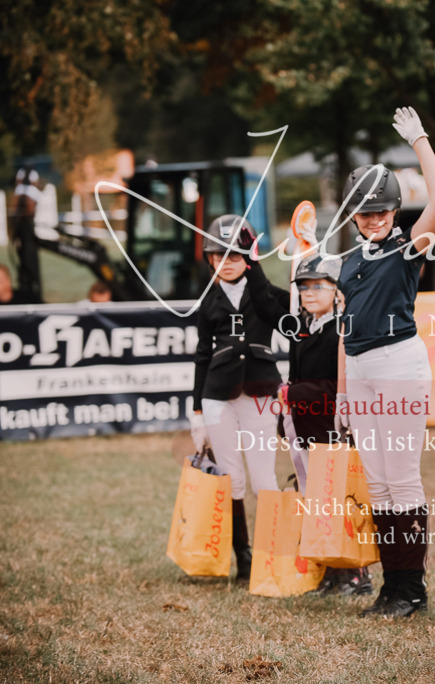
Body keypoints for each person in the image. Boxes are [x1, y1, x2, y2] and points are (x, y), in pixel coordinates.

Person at [333, 107, 435, 618]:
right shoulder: (348, 262)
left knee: (401, 479)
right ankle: (391, 587)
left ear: (393, 212)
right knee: (377, 482)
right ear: (353, 215)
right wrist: (341, 389)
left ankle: (412, 588)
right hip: (358, 368)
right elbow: (344, 330)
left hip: (399, 362)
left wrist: (420, 140)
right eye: (365, 212)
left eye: (382, 210)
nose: (375, 218)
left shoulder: (406, 248)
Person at [190, 214, 289, 584]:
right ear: (210, 259)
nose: (226, 263)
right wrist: (197, 411)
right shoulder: (209, 302)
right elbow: (202, 356)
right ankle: (244, 558)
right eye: (218, 256)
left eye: (234, 255)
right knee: (232, 480)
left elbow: (280, 319)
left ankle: (273, 555)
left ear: (249, 257)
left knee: (264, 478)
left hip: (260, 394)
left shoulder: (265, 293)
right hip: (218, 397)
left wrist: (256, 264)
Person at [279, 254, 372, 597]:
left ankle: (356, 573)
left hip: (332, 429)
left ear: (336, 291)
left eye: (318, 286)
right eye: (304, 287)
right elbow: (294, 377)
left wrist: (292, 393)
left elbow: (336, 387)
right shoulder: (301, 329)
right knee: (316, 501)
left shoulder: (341, 331)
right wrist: (284, 416)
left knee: (339, 501)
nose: (308, 293)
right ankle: (332, 571)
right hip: (304, 427)